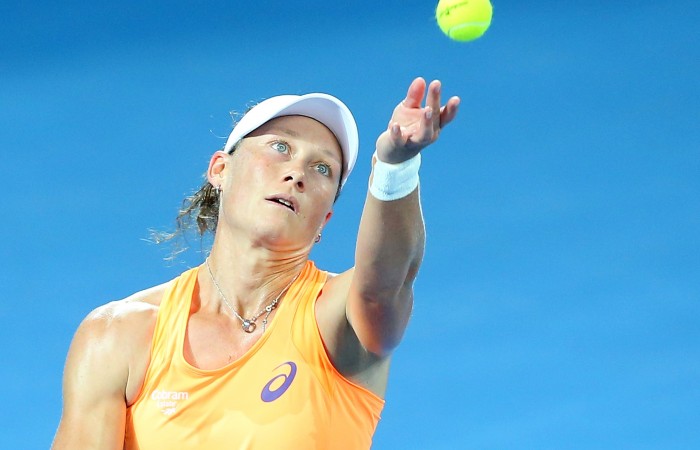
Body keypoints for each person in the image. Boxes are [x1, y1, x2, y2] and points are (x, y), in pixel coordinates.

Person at [52, 76, 460, 449]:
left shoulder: (337, 320)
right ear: (221, 169)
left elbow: (385, 283)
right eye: (280, 147)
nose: (297, 173)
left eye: (322, 169)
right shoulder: (118, 335)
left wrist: (396, 165)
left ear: (324, 221)